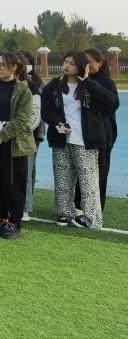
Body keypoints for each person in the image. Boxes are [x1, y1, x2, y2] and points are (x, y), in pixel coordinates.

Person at [41, 52, 113, 228]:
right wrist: (57, 123)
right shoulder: (54, 85)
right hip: (61, 139)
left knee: (88, 181)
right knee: (62, 178)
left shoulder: (91, 85)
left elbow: (112, 103)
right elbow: (46, 110)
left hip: (85, 141)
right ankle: (64, 213)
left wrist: (87, 81)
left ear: (81, 66)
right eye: (65, 62)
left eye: (71, 63)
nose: (66, 65)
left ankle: (92, 218)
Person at [0, 51, 36, 240]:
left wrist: (0, 138)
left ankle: (14, 223)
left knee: (14, 184)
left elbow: (22, 119)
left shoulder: (23, 89)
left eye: (2, 65)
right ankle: (1, 219)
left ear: (14, 67)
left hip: (13, 144)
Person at [80, 48, 119, 210]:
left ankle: (96, 210)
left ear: (100, 63)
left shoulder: (107, 83)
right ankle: (79, 208)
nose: (86, 65)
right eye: (83, 62)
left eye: (89, 62)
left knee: (99, 175)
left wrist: (88, 83)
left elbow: (112, 105)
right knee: (81, 175)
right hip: (81, 135)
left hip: (102, 137)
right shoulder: (76, 80)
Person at [17, 50, 44, 221]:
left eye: (26, 63)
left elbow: (34, 116)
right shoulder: (4, 83)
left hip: (28, 135)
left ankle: (25, 207)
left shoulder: (35, 85)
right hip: (7, 136)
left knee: (26, 172)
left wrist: (17, 130)